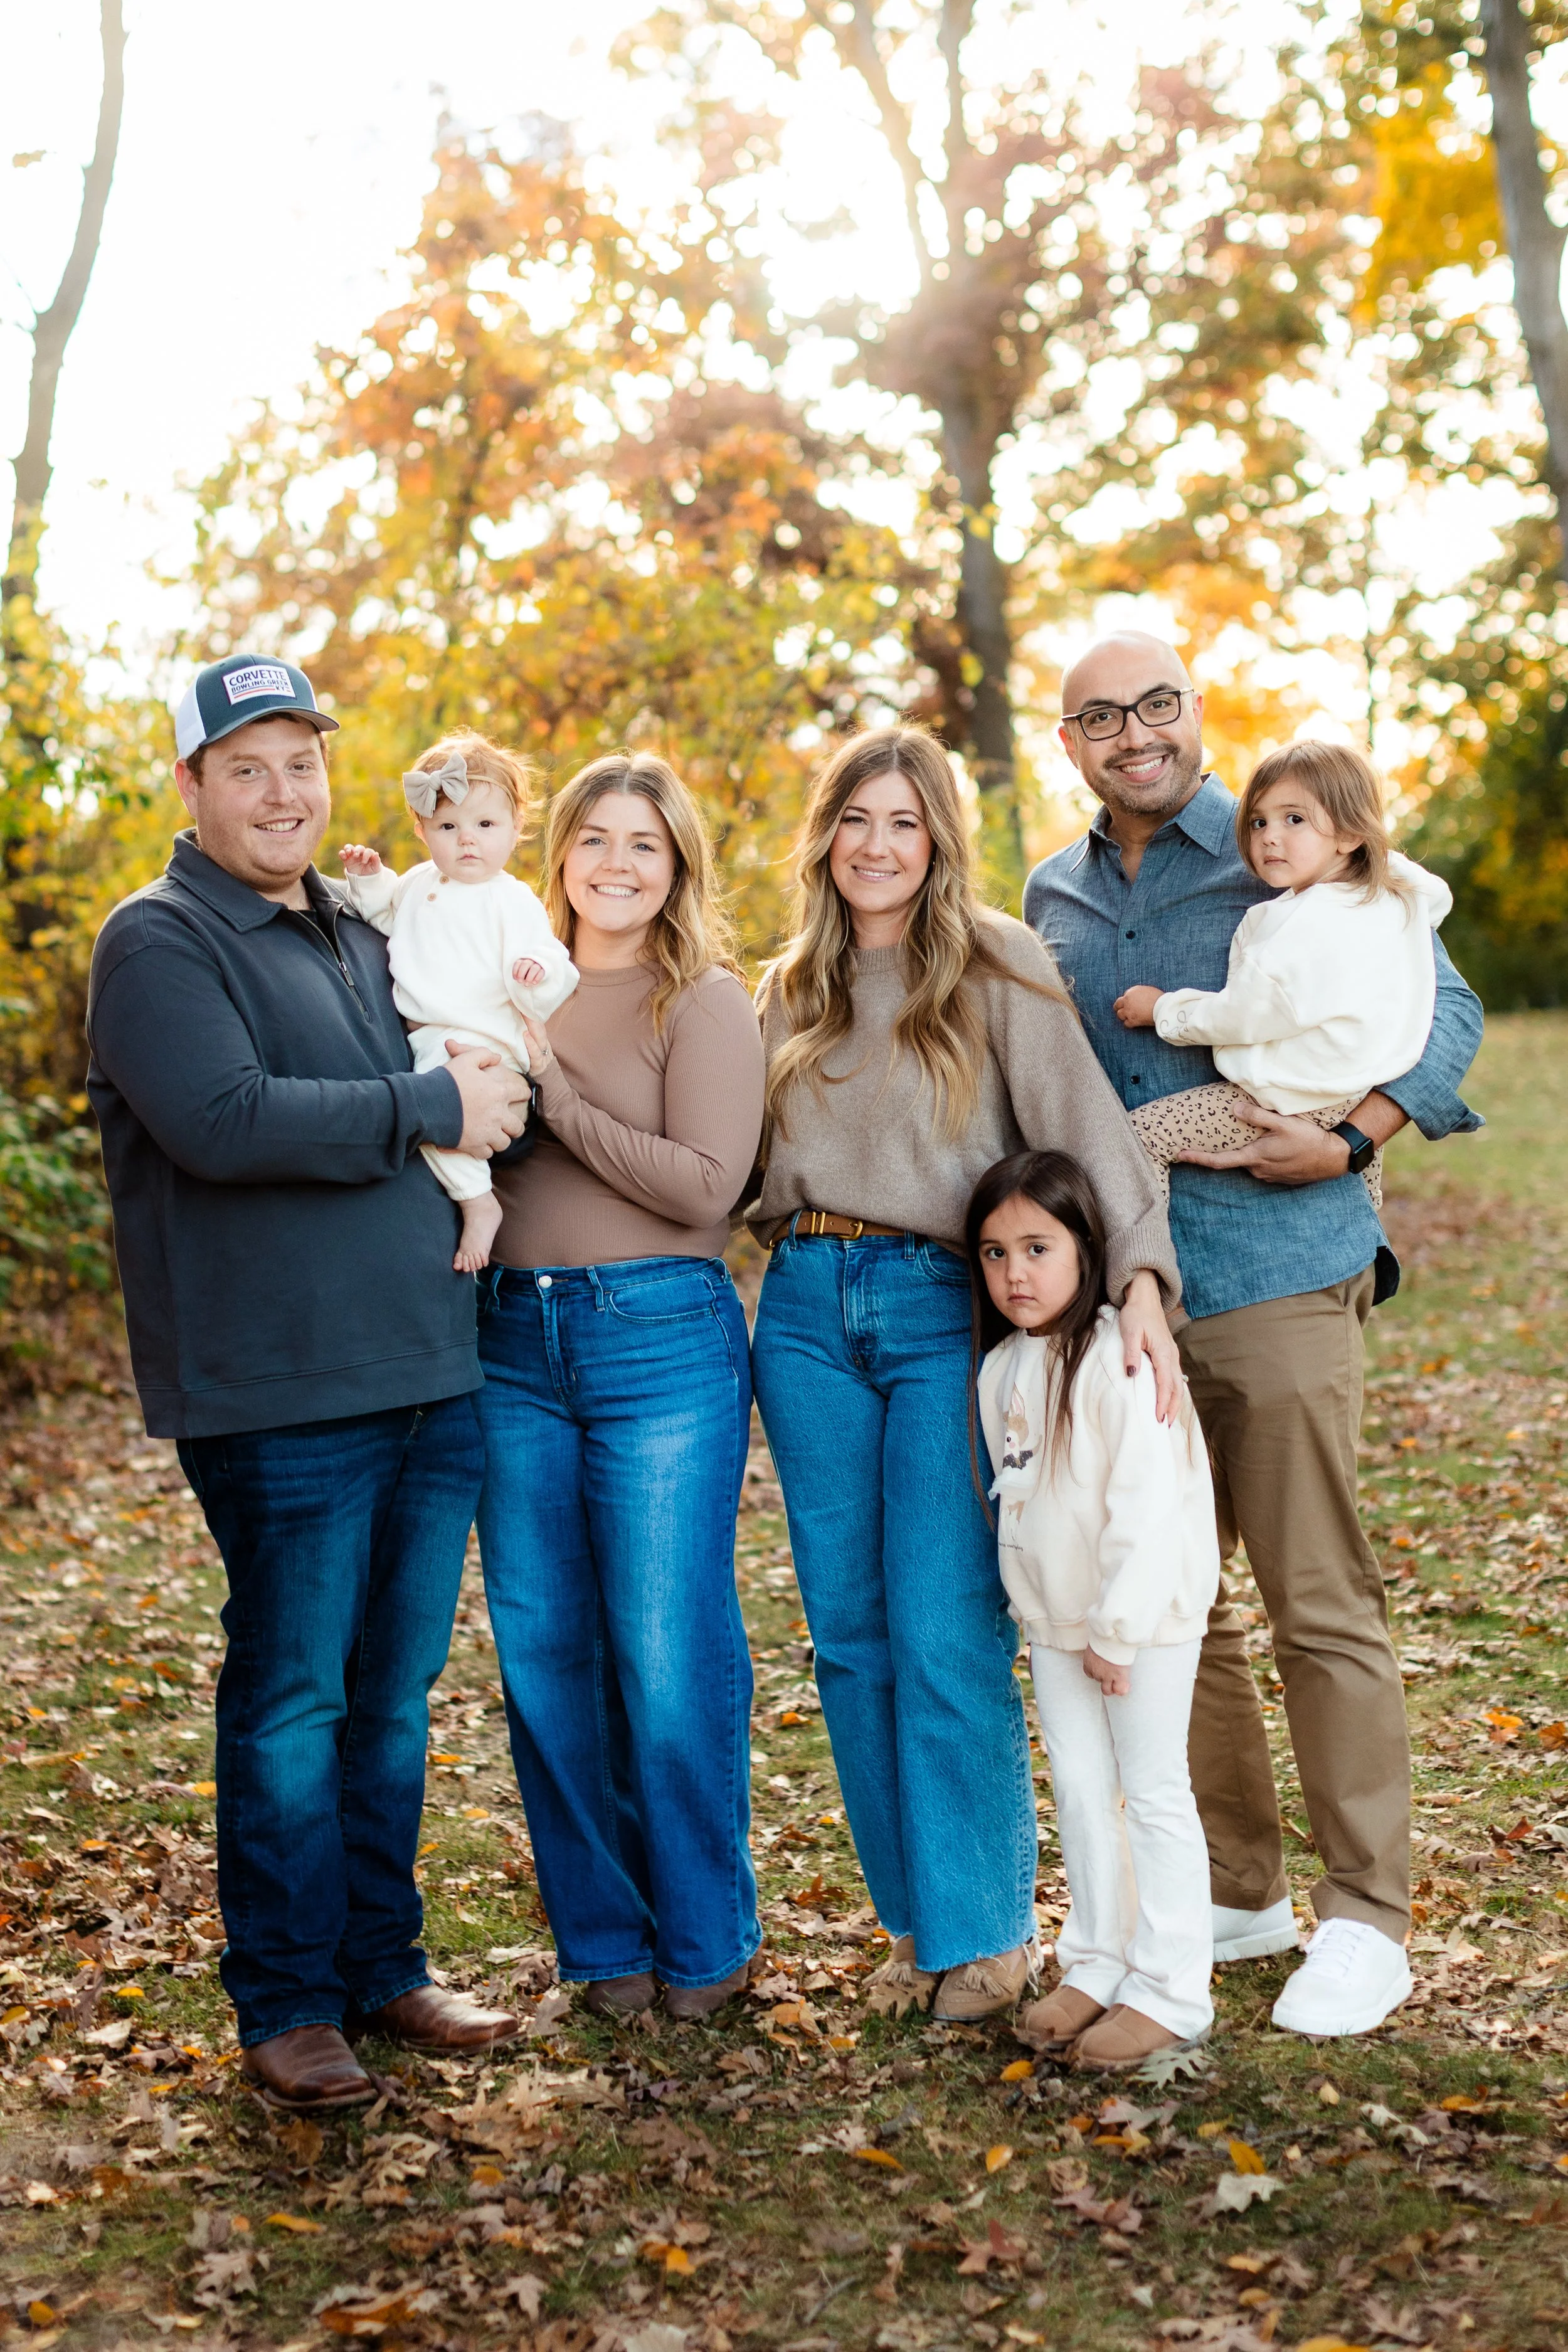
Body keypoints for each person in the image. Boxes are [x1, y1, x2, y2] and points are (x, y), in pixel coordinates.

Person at [86, 655, 529, 2112]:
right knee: (291, 1696)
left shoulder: (349, 920)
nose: (283, 793)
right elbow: (221, 1119)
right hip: (282, 1393)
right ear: (195, 785)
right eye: (250, 767)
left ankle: (379, 1962)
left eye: (303, 763)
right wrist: (433, 1105)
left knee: (390, 1693)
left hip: (428, 1366)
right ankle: (286, 1998)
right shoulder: (157, 940)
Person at [1026, 632, 1483, 2039]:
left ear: (1192, 714)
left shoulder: (1301, 840)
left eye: (1153, 704)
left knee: (1315, 1598)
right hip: (1127, 1304)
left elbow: (1447, 1010)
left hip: (1276, 1271)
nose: (1132, 734)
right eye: (1099, 717)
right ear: (1072, 742)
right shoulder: (1049, 891)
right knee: (1170, 1609)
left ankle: (1366, 1918)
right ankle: (1232, 1888)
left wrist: (1354, 1138)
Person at [746, 724, 1183, 2025]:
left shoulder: (993, 960)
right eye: (854, 820)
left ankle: (986, 1930)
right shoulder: (779, 991)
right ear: (824, 835)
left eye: (903, 822)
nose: (877, 846)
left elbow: (1085, 1134)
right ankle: (913, 1927)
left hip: (943, 1304)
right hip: (804, 1308)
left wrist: (1142, 1283)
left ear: (934, 838)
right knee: (848, 1640)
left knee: (942, 1626)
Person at [474, 752, 766, 2020]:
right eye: (592, 839)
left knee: (665, 1654)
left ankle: (704, 1940)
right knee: (544, 1659)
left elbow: (705, 1187)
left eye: (642, 844)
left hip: (659, 1343)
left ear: (676, 865)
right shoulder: (502, 980)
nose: (614, 864)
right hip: (505, 1347)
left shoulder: (698, 1001)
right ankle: (601, 1946)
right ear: (560, 855)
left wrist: (556, 1093)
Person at [971, 1150, 1219, 2071]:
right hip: (1058, 1623)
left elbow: (1146, 1509)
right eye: (995, 1254)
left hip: (1140, 1622)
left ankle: (1171, 1986)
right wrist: (1048, 1618)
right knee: (1079, 1786)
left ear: (1087, 1246)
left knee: (1151, 1793)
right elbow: (1023, 1497)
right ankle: (1100, 1957)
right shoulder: (1005, 1366)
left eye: (1038, 1247)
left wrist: (1116, 1631)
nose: (1016, 1273)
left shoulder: (1121, 1357)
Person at [1116, 740, 1453, 1214]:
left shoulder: (1303, 924)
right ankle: (1364, 1224)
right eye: (1259, 822)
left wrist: (1162, 1009)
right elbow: (1434, 898)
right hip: (1356, 1089)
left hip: (1293, 1098)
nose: (1270, 836)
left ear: (1350, 833)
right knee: (1360, 1199)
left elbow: (1245, 1015)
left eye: (1294, 819)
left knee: (1137, 1139)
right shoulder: (1392, 897)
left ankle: (1147, 1270)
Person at [341, 734, 578, 1271]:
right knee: (429, 1111)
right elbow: (382, 917)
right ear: (423, 831)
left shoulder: (511, 898)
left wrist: (534, 972)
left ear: (517, 828)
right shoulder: (417, 885)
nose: (467, 841)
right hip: (428, 1034)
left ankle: (478, 1202)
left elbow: (553, 962)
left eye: (485, 826)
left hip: (489, 1040)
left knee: (437, 1112)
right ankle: (473, 1195)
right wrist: (367, 877)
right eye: (449, 827)